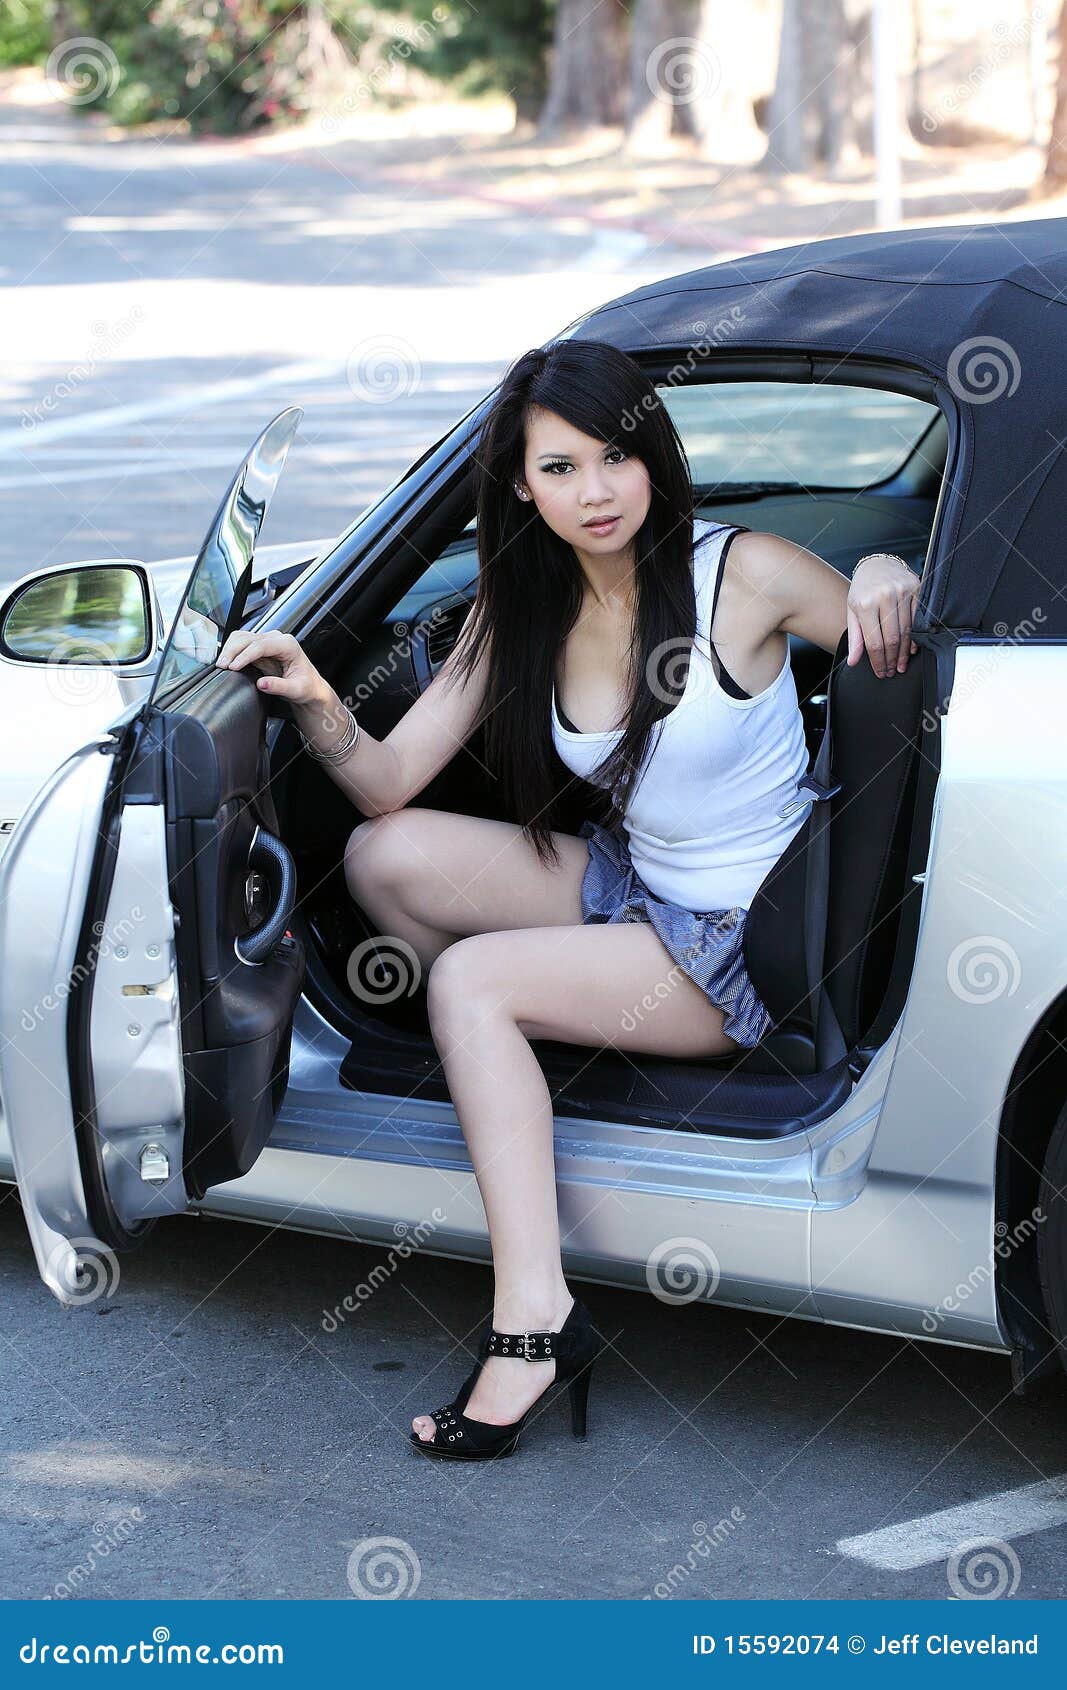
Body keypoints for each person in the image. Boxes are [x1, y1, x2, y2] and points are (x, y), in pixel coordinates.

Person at [214, 340, 920, 1461]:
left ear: (652, 459)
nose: (591, 493)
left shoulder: (745, 572)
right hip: (637, 890)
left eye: (613, 458)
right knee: (382, 857)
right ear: (520, 483)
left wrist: (887, 569)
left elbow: (913, 647)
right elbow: (388, 782)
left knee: (468, 979)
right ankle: (515, 1060)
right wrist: (310, 700)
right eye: (557, 468)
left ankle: (532, 1319)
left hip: (738, 947)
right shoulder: (520, 604)